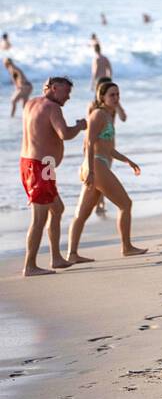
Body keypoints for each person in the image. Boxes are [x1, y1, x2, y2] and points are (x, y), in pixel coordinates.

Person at [66, 80, 145, 262]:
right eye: (112, 95)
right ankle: (127, 247)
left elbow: (108, 148)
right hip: (95, 165)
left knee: (82, 214)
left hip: (97, 164)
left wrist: (128, 161)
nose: (116, 98)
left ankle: (72, 255)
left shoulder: (109, 115)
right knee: (125, 204)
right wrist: (91, 171)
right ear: (102, 97)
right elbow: (88, 143)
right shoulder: (98, 114)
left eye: (118, 94)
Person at [19, 77, 86, 275]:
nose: (68, 97)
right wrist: (80, 126)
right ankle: (29, 266)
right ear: (54, 89)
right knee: (39, 218)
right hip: (39, 168)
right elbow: (64, 134)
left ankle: (56, 258)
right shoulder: (52, 108)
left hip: (31, 164)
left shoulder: (31, 103)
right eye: (66, 92)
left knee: (57, 209)